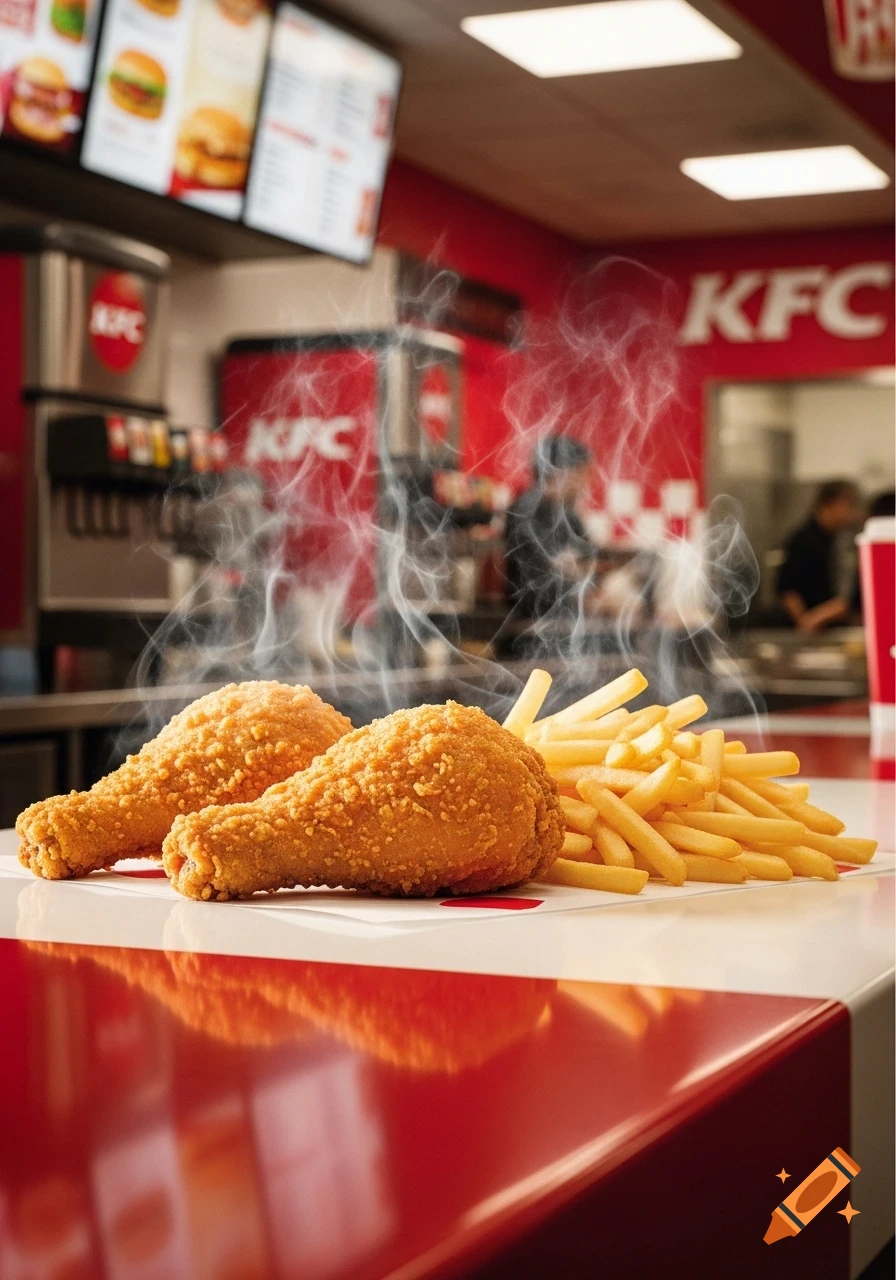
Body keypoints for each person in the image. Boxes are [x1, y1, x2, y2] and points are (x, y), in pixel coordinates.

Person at [504, 435, 597, 619]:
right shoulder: (526, 512)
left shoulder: (569, 517)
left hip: (567, 621)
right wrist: (585, 598)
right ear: (562, 473)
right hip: (534, 626)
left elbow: (590, 561)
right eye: (582, 475)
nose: (585, 484)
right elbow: (534, 584)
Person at [776, 479, 862, 632]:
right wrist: (806, 622)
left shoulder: (843, 540)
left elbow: (848, 596)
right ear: (829, 504)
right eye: (848, 505)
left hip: (835, 627)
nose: (852, 513)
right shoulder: (802, 540)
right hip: (806, 628)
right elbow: (788, 590)